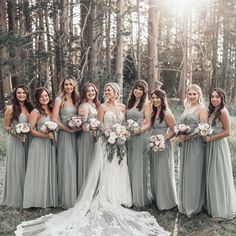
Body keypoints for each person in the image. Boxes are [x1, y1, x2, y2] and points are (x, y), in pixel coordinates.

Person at [15, 83, 170, 236]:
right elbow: (101, 125)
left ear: (116, 92)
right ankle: (107, 197)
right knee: (107, 169)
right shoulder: (101, 107)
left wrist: (121, 133)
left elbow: (123, 124)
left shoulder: (123, 107)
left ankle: (121, 197)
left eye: (110, 90)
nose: (107, 92)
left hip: (120, 143)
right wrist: (108, 135)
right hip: (107, 141)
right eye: (106, 90)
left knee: (120, 168)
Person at [203, 88, 236, 220]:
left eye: (217, 97)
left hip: (218, 146)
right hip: (210, 146)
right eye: (212, 97)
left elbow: (228, 132)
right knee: (211, 175)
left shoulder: (223, 111)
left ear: (222, 98)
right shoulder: (212, 111)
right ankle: (211, 205)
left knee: (218, 175)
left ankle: (221, 209)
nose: (214, 99)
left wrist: (211, 138)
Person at [23, 87, 57, 208]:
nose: (44, 98)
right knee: (38, 170)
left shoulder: (52, 110)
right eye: (42, 96)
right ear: (37, 98)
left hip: (50, 144)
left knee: (48, 169)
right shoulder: (35, 112)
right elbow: (30, 131)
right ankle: (34, 201)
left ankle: (47, 198)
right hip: (38, 144)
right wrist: (45, 136)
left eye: (46, 96)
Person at [1, 85, 33, 208]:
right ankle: (17, 198)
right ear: (15, 95)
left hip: (29, 140)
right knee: (18, 167)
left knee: (28, 167)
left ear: (27, 94)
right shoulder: (10, 108)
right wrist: (18, 135)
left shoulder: (30, 108)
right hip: (17, 141)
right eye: (19, 93)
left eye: (23, 93)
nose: (21, 95)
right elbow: (7, 127)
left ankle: (29, 196)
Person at [178, 84, 208, 217]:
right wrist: (180, 133)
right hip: (186, 144)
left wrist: (189, 135)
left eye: (194, 94)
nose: (191, 96)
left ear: (199, 95)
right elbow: (182, 125)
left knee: (193, 172)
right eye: (189, 94)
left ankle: (193, 205)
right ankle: (185, 202)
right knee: (186, 171)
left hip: (195, 144)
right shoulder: (188, 107)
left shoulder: (201, 109)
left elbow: (203, 127)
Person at [52, 77, 80, 208]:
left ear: (74, 86)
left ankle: (76, 194)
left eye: (71, 84)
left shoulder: (76, 100)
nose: (68, 87)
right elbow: (54, 119)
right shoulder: (59, 100)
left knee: (74, 164)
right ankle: (67, 198)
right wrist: (67, 129)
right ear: (63, 86)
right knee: (67, 164)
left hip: (76, 135)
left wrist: (77, 126)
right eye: (66, 84)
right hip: (65, 135)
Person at [150, 89, 177, 210]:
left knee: (163, 171)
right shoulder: (154, 111)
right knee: (156, 171)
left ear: (162, 99)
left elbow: (175, 130)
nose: (155, 100)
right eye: (153, 98)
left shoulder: (166, 112)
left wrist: (164, 138)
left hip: (163, 145)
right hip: (154, 144)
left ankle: (166, 201)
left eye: (157, 98)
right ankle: (157, 197)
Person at [126, 80, 152, 207]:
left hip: (140, 137)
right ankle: (128, 195)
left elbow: (148, 123)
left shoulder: (147, 104)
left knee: (138, 164)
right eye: (136, 88)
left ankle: (138, 196)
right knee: (129, 164)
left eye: (140, 89)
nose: (137, 91)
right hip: (128, 137)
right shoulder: (130, 102)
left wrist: (138, 130)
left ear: (144, 92)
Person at [77, 82, 100, 195]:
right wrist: (93, 130)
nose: (91, 93)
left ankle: (94, 191)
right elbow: (82, 125)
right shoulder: (84, 106)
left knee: (94, 164)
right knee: (88, 163)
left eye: (93, 91)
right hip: (87, 138)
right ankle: (85, 192)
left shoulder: (96, 105)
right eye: (88, 91)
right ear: (84, 93)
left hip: (95, 138)